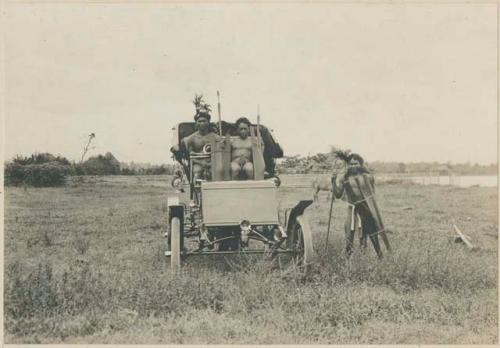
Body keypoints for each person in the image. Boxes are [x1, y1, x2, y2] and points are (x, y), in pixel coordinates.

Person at [331, 153, 382, 258]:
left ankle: (379, 255)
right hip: (352, 209)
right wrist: (333, 182)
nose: (353, 166)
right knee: (349, 233)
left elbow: (372, 194)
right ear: (348, 165)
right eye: (351, 164)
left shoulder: (368, 177)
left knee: (372, 233)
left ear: (361, 164)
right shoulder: (343, 178)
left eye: (356, 164)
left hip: (365, 208)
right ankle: (348, 258)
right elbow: (338, 195)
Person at [171, 111, 220, 181]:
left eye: (204, 121)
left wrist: (211, 163)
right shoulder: (191, 139)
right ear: (196, 123)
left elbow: (220, 153)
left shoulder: (216, 137)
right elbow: (190, 156)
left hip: (212, 163)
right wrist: (201, 163)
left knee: (217, 173)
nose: (202, 123)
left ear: (208, 122)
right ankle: (197, 190)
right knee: (197, 173)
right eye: (199, 121)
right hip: (198, 163)